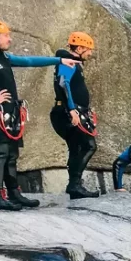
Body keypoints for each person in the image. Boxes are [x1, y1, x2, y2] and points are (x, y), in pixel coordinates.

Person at [0, 19, 80, 210]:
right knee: (1, 153)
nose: (9, 39)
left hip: (11, 113)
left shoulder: (2, 56)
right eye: (5, 36)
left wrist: (59, 60)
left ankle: (14, 193)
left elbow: (28, 61)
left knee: (11, 154)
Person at [51, 31, 99, 199]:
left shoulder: (75, 63)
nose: (90, 53)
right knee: (89, 145)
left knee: (76, 147)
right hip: (67, 112)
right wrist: (72, 109)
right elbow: (63, 85)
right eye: (88, 49)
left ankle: (74, 186)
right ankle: (74, 184)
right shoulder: (69, 62)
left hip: (73, 110)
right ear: (79, 48)